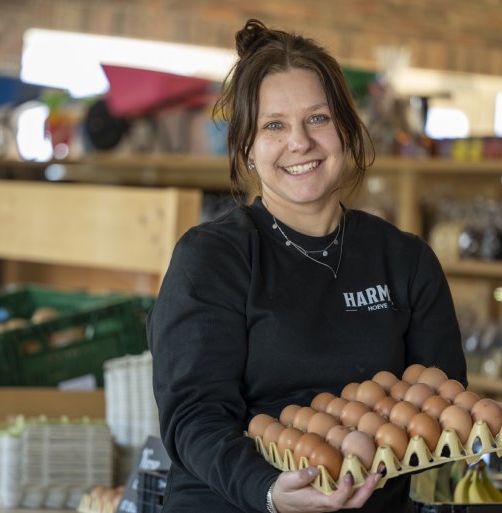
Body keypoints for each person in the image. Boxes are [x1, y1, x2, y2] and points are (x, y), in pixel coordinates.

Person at [147, 18, 467, 513]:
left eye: (317, 118)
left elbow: (439, 411)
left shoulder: (405, 261)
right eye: (274, 125)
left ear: (346, 129)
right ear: (247, 147)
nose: (300, 142)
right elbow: (194, 415)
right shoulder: (212, 259)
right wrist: (268, 491)